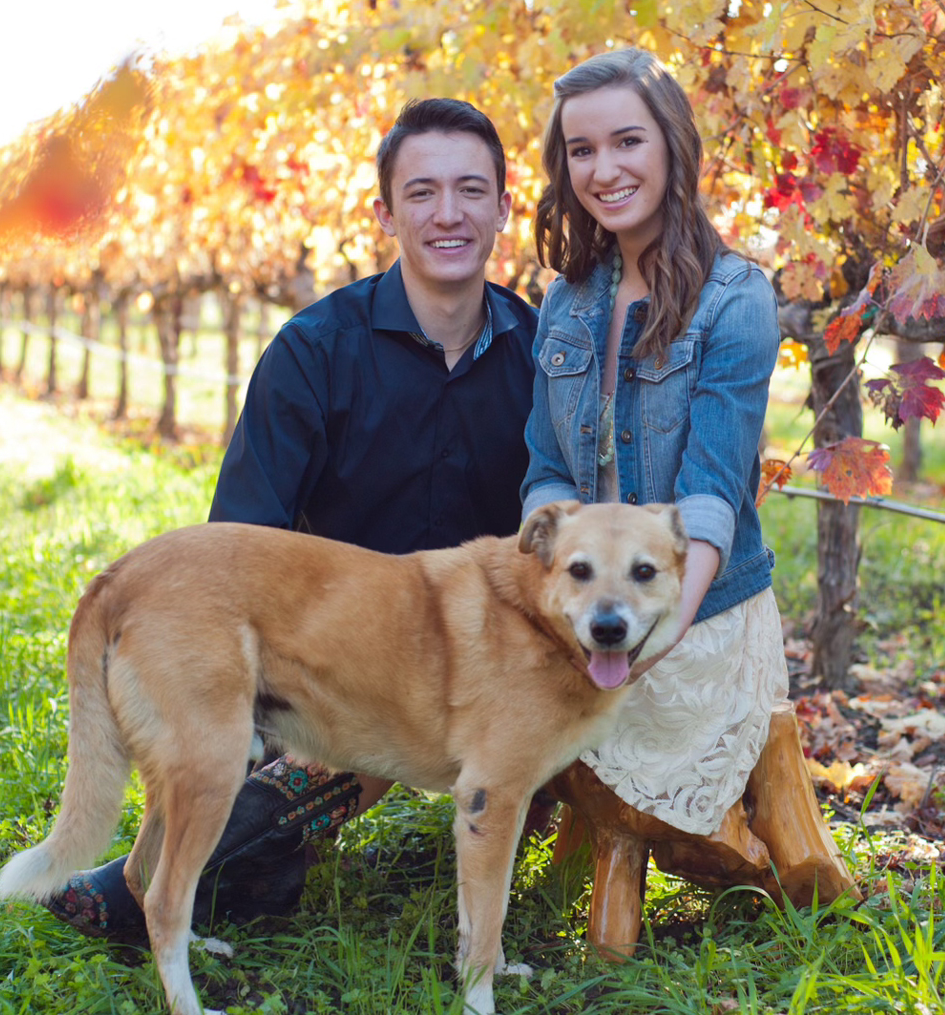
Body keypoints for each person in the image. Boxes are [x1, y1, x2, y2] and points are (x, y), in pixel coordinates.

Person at [42, 97, 539, 942]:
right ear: (384, 213)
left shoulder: (539, 354)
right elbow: (240, 543)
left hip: (473, 660)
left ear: (502, 205)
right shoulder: (314, 351)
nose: (447, 214)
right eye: (420, 193)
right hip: (321, 654)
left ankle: (239, 857)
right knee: (277, 762)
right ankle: (204, 860)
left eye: (469, 190)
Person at [522, 46, 853, 905]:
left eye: (626, 141)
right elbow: (549, 465)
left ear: (671, 144)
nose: (604, 169)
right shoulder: (567, 300)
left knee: (686, 813)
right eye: (581, 151)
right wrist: (558, 583)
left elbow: (710, 491)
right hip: (594, 598)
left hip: (695, 610)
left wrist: (656, 634)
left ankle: (753, 847)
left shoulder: (733, 297)